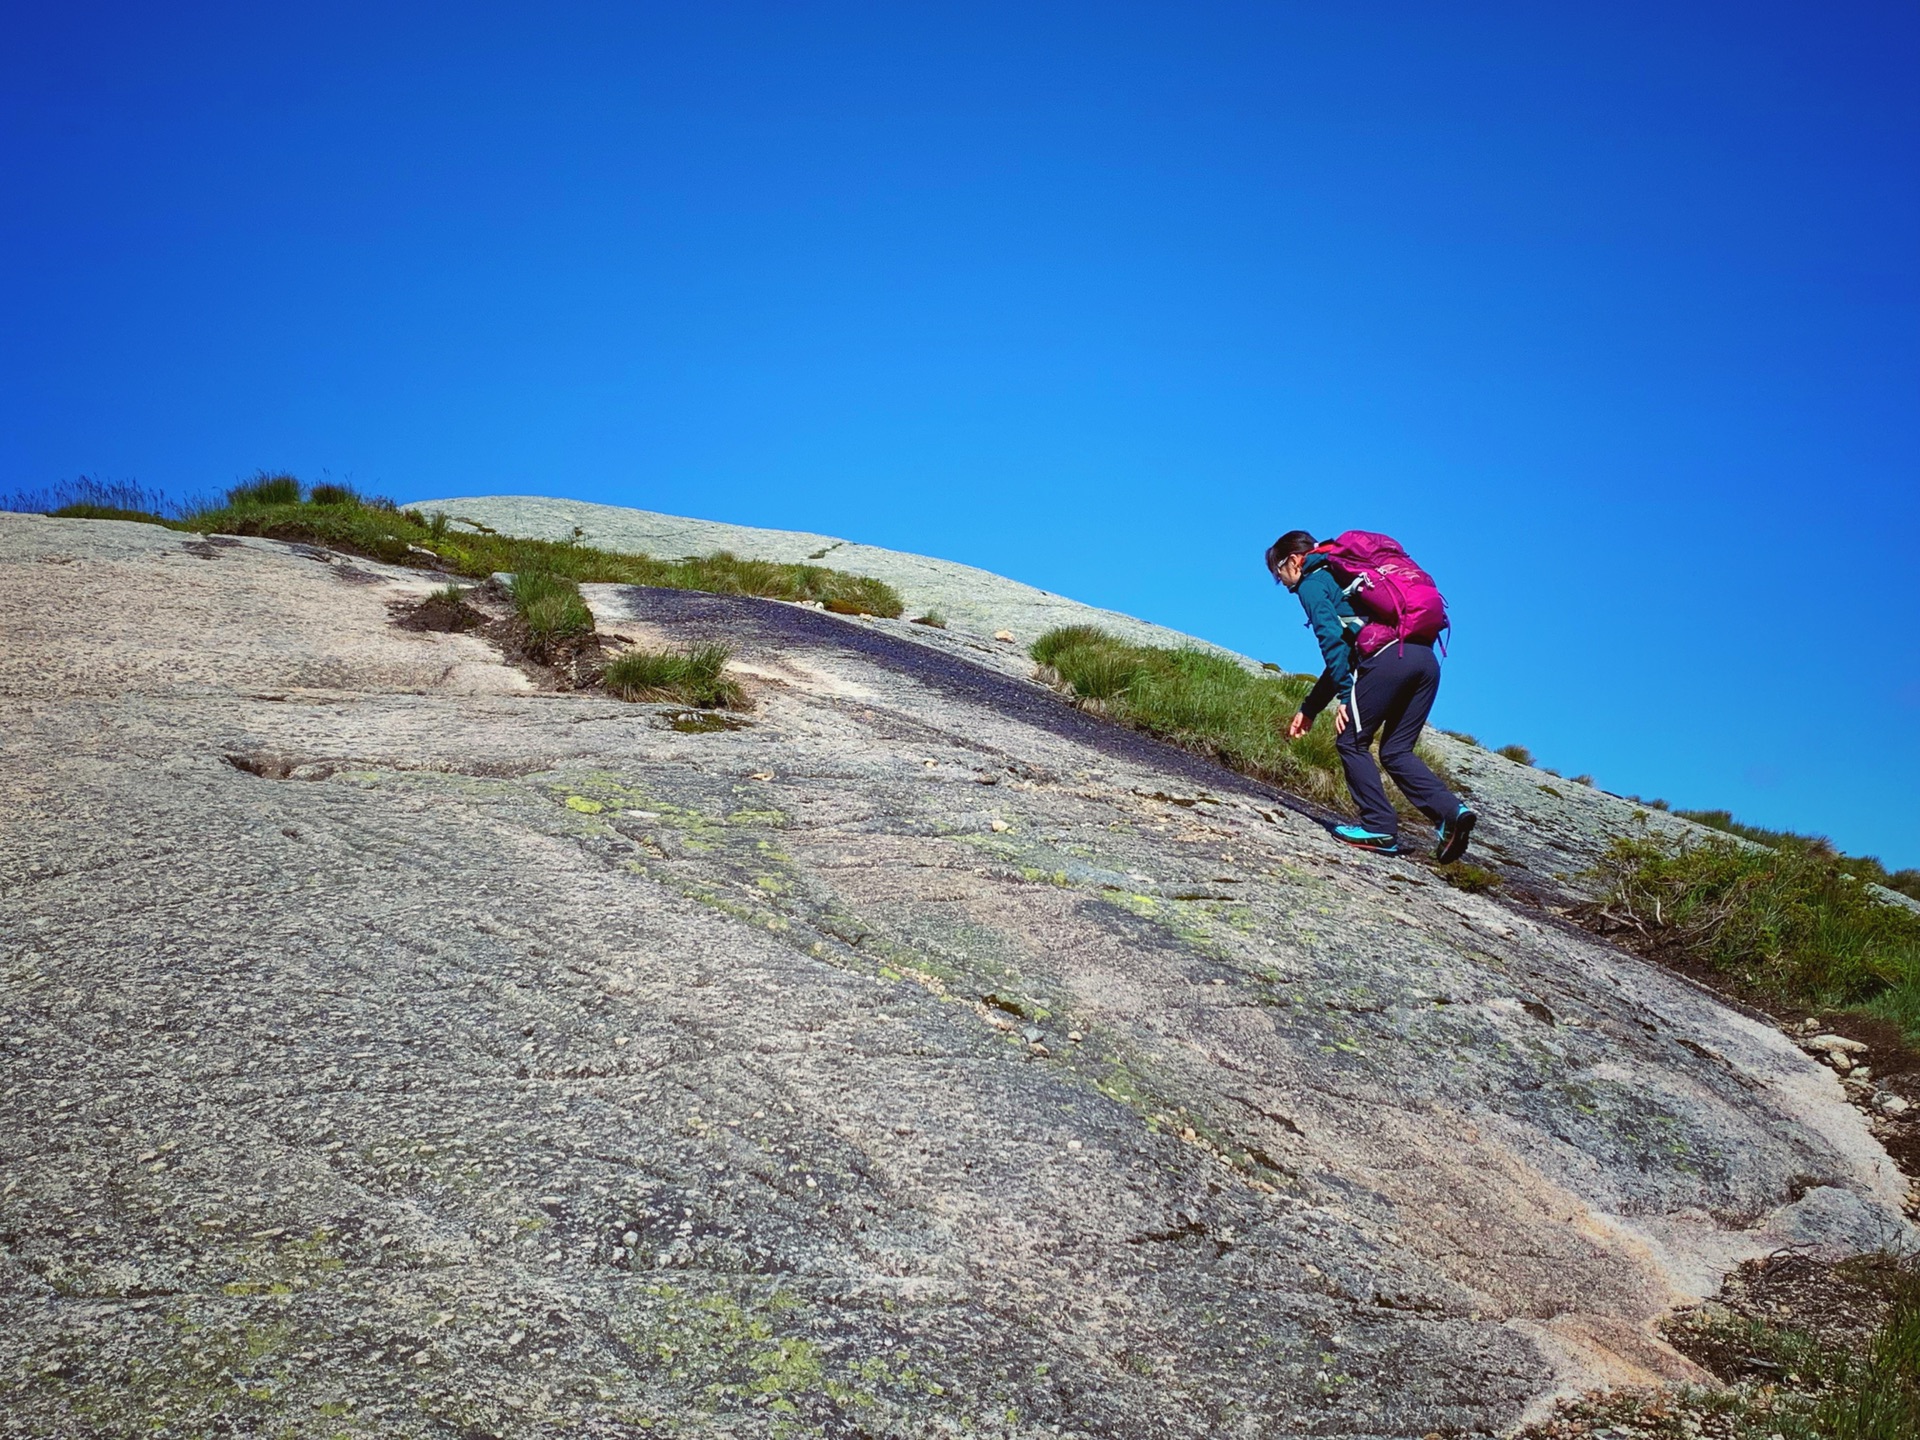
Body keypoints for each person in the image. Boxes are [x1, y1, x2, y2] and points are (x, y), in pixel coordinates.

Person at [1266, 530, 1475, 861]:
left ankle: (1378, 827)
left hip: (1388, 661)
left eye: (1279, 574)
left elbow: (1331, 641)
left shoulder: (1312, 581)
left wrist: (1348, 696)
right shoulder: (1346, 575)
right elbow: (1350, 649)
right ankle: (1451, 813)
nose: (1285, 585)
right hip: (1423, 659)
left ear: (1293, 560)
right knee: (1396, 750)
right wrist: (1310, 709)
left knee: (1350, 741)